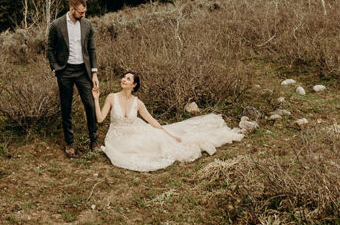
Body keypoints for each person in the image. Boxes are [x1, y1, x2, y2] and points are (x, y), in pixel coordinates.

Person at [92, 71, 243, 172]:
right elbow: (100, 119)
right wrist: (96, 99)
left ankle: (176, 138)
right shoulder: (112, 97)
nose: (124, 80)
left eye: (128, 79)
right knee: (134, 152)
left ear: (134, 85)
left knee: (159, 142)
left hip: (136, 132)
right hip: (118, 138)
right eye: (124, 77)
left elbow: (152, 121)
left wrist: (169, 134)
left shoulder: (138, 103)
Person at [47, 0, 99, 157]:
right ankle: (70, 143)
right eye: (81, 12)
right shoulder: (56, 25)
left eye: (85, 12)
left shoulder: (88, 24)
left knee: (90, 105)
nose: (84, 15)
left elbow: (91, 49)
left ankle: (94, 140)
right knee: (66, 107)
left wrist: (94, 72)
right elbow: (49, 48)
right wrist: (56, 68)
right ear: (72, 9)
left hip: (84, 71)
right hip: (65, 71)